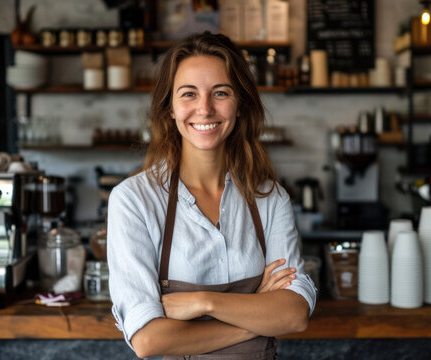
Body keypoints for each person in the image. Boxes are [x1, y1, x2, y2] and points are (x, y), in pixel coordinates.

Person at [107, 32, 316, 359]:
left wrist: (203, 303)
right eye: (189, 94)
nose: (204, 109)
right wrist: (258, 316)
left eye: (220, 92)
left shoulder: (269, 198)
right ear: (171, 108)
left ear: (240, 104)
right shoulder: (134, 200)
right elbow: (149, 340)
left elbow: (294, 314)